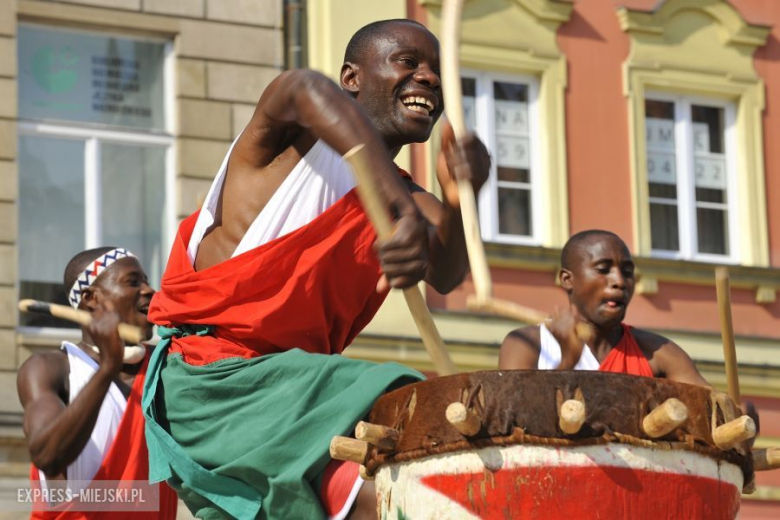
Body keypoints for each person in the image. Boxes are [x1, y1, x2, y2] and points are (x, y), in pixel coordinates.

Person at [142, 18, 490, 520]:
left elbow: (448, 273)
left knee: (398, 496)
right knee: (407, 401)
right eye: (409, 63)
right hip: (215, 382)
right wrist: (401, 210)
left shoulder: (406, 199)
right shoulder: (291, 140)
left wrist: (459, 199)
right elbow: (303, 86)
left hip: (290, 394)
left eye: (436, 70)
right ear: (351, 78)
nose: (430, 78)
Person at [17, 247, 178, 519]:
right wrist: (107, 369)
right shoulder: (49, 368)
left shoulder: (167, 367)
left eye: (147, 281)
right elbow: (47, 456)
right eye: (133, 282)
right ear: (91, 298)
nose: (150, 291)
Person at [499, 230, 709, 383]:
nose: (619, 281)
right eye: (603, 269)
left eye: (627, 272)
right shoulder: (526, 344)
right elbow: (516, 419)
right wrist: (568, 361)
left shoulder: (658, 352)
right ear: (567, 279)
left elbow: (711, 412)